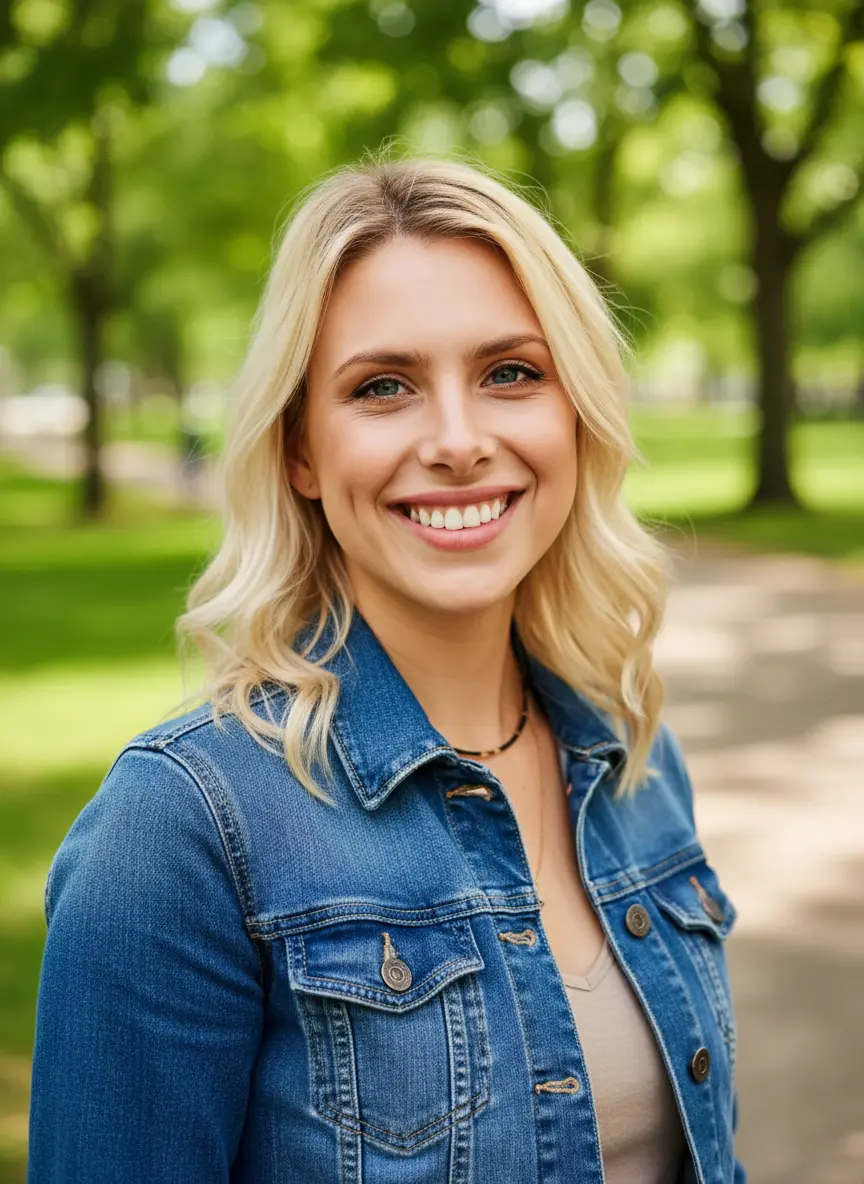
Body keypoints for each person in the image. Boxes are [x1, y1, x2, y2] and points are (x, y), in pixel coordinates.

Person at [28, 158, 745, 1183]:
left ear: (576, 415)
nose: (458, 440)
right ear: (300, 452)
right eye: (383, 387)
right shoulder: (179, 831)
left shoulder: (630, 751)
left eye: (511, 372)